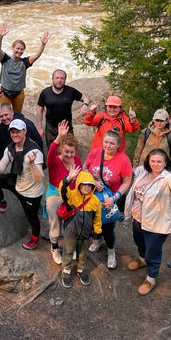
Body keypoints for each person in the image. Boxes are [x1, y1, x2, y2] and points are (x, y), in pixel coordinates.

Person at [125, 149, 171, 295]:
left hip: (156, 224)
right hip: (138, 218)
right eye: (153, 161)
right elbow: (131, 170)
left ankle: (151, 278)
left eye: (159, 161)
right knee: (140, 243)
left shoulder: (168, 177)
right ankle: (142, 260)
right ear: (148, 161)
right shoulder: (143, 171)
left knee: (153, 252)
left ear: (165, 162)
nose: (155, 164)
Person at [0, 119, 45, 250]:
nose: (15, 134)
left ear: (25, 131)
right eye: (12, 132)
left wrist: (32, 164)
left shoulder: (34, 151)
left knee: (31, 217)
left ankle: (35, 238)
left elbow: (40, 178)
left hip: (30, 192)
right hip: (15, 181)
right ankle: (1, 202)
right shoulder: (10, 148)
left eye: (17, 131)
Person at [83, 129, 132, 268]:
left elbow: (127, 181)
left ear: (118, 145)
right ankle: (98, 240)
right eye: (106, 142)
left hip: (111, 198)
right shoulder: (95, 153)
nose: (108, 145)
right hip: (92, 196)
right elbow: (85, 168)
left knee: (108, 226)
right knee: (93, 221)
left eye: (112, 143)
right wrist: (92, 180)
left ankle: (111, 250)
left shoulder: (123, 160)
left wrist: (115, 198)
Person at [45, 120, 82, 265]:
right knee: (55, 222)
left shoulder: (77, 159)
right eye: (66, 151)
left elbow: (79, 177)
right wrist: (59, 137)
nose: (69, 155)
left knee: (72, 223)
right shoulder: (55, 161)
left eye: (72, 152)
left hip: (71, 194)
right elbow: (49, 155)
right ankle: (54, 247)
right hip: (55, 193)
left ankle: (69, 247)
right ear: (61, 150)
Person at [59, 168, 102, 288]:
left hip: (86, 233)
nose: (87, 187)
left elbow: (97, 218)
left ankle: (81, 269)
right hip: (71, 231)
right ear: (79, 184)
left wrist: (96, 233)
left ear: (93, 186)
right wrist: (67, 179)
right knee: (68, 250)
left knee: (83, 252)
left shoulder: (95, 201)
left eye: (90, 185)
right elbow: (62, 190)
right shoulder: (72, 196)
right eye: (84, 184)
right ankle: (66, 269)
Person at [0, 23, 50, 112]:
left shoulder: (24, 62)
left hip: (19, 94)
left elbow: (36, 56)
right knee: (5, 114)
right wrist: (0, 36)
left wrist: (43, 44)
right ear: (13, 48)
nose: (19, 51)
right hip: (5, 93)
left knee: (17, 115)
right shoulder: (5, 59)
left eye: (22, 49)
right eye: (17, 48)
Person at [36, 69, 89, 148]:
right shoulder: (45, 93)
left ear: (65, 80)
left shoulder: (70, 91)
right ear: (52, 79)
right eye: (57, 78)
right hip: (51, 128)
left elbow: (85, 97)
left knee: (68, 151)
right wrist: (39, 128)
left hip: (67, 127)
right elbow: (39, 110)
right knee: (53, 151)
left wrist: (85, 105)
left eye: (62, 78)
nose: (59, 80)